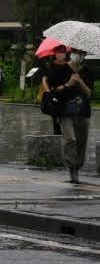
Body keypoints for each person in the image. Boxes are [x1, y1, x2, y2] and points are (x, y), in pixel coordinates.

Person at [40, 45, 92, 184]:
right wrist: (68, 84)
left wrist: (79, 81)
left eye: (82, 53)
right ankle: (72, 169)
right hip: (65, 111)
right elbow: (53, 91)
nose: (79, 55)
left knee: (81, 141)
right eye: (76, 52)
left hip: (83, 111)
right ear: (71, 53)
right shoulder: (60, 70)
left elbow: (88, 93)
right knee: (70, 139)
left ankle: (78, 165)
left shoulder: (86, 71)